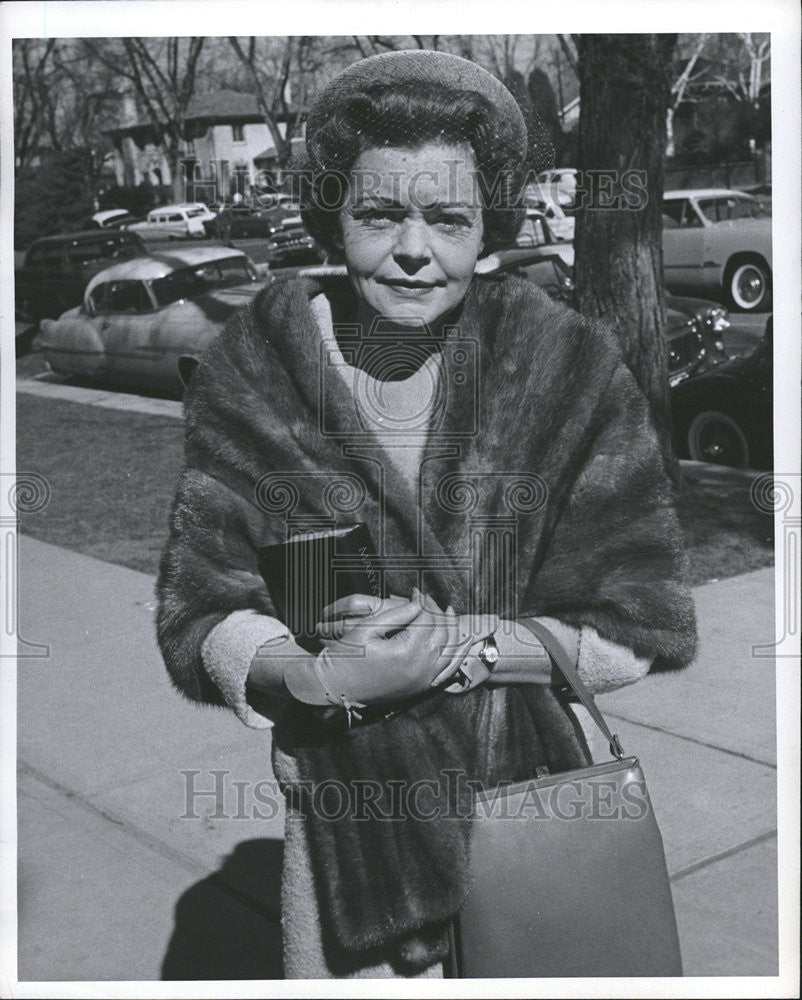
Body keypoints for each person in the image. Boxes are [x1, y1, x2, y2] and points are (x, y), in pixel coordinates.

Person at [156, 50, 697, 979]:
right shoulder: (259, 374)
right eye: (379, 214)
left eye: (448, 218)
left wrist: (462, 647)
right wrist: (310, 676)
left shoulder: (568, 373)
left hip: (529, 836)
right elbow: (204, 611)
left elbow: (638, 623)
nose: (415, 249)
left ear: (488, 224)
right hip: (344, 862)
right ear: (335, 214)